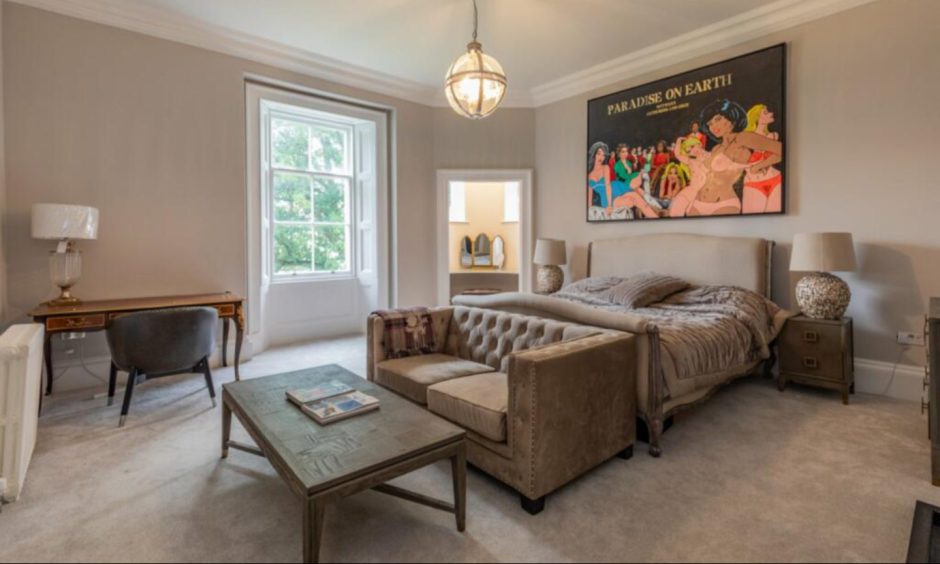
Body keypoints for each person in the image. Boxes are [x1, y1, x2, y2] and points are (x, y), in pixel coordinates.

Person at [587, 141, 659, 219]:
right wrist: (608, 206)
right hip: (607, 199)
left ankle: (656, 219)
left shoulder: (605, 168)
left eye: (603, 155)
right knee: (632, 200)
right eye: (598, 153)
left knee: (636, 196)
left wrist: (610, 206)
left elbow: (608, 186)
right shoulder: (588, 174)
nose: (601, 157)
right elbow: (589, 196)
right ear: (593, 154)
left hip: (615, 188)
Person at [741, 104, 783, 214]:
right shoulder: (747, 137)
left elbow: (780, 155)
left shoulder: (773, 136)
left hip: (775, 178)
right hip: (753, 182)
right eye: (765, 113)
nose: (771, 114)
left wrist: (758, 166)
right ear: (756, 118)